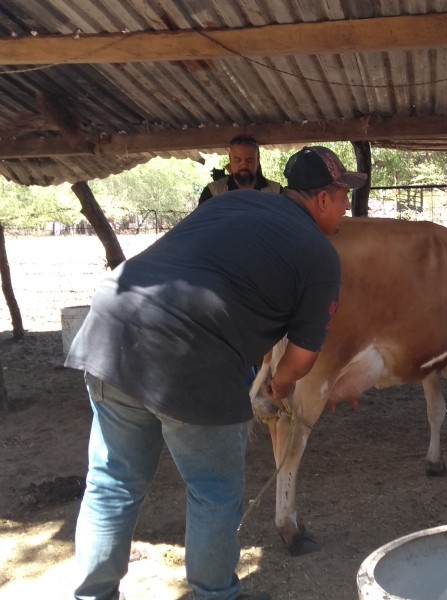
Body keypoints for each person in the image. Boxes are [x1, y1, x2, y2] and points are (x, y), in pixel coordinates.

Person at [66, 146, 367, 600]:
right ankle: (215, 594)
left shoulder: (228, 202)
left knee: (112, 483)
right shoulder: (321, 255)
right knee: (213, 492)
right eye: (343, 195)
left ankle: (94, 595)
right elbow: (303, 357)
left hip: (112, 326)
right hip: (193, 355)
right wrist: (277, 387)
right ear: (322, 198)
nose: (347, 206)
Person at [197, 135, 281, 205]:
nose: (243, 165)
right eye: (237, 160)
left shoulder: (276, 192)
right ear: (230, 159)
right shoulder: (213, 192)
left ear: (258, 159)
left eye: (249, 160)